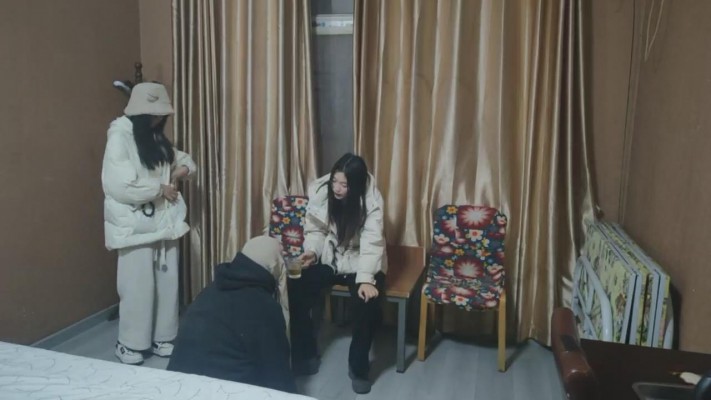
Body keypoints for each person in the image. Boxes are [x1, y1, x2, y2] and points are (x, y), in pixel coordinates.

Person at [101, 82, 196, 365]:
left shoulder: (153, 137)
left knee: (167, 284)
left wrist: (181, 171)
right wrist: (160, 189)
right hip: (135, 226)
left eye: (161, 116)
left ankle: (162, 337)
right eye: (154, 115)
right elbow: (120, 185)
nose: (158, 120)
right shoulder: (119, 136)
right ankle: (130, 343)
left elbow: (183, 160)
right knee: (137, 287)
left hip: (164, 223)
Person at [289, 153, 386, 394]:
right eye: (335, 181)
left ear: (357, 185)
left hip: (361, 261)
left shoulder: (372, 200)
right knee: (296, 286)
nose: (337, 188)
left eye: (344, 184)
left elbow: (372, 243)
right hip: (331, 256)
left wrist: (366, 279)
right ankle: (305, 355)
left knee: (367, 302)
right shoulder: (322, 193)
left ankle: (358, 368)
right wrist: (312, 252)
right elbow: (316, 230)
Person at [167, 236, 295, 393]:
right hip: (222, 390)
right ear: (274, 265)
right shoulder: (263, 306)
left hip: (177, 386)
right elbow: (276, 371)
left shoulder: (210, 290)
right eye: (281, 256)